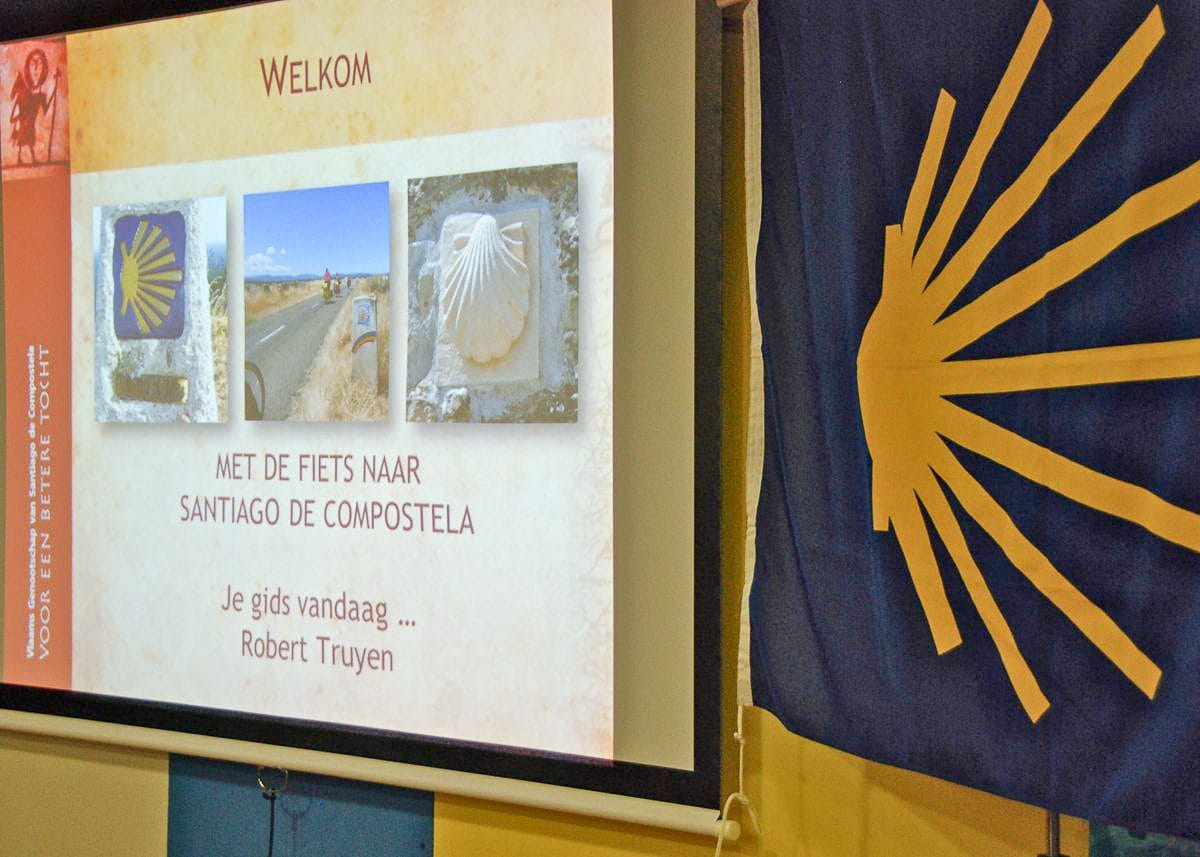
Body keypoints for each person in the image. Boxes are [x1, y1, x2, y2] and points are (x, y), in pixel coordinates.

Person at [9, 49, 57, 166]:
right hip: (24, 122)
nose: (35, 68)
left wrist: (53, 93)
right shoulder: (24, 93)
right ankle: (25, 159)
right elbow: (16, 107)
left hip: (28, 122)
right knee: (25, 140)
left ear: (44, 69)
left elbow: (45, 109)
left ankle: (26, 159)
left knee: (28, 140)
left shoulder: (40, 95)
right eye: (32, 64)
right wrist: (17, 118)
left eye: (39, 64)